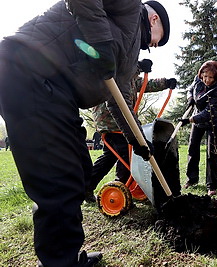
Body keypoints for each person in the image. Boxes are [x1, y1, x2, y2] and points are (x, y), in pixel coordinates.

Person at [0, 1, 170, 266]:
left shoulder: (128, 50)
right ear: (154, 20)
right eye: (159, 41)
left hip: (58, 93)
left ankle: (69, 256)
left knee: (79, 170)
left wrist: (139, 144)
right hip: (31, 70)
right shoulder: (130, 8)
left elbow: (120, 102)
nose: (154, 47)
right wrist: (100, 43)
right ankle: (61, 263)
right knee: (59, 180)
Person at [85, 59, 177, 202]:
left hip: (119, 122)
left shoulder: (131, 77)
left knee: (110, 156)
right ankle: (121, 189)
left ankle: (87, 187)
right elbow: (115, 75)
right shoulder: (120, 68)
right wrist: (138, 66)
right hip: (112, 120)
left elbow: (145, 84)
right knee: (127, 155)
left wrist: (166, 82)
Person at [179, 60, 217, 196]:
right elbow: (191, 89)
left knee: (212, 153)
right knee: (192, 148)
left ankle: (212, 185)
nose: (207, 80)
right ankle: (192, 179)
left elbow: (209, 112)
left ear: (216, 77)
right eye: (205, 76)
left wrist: (190, 120)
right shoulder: (198, 79)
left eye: (211, 77)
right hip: (197, 119)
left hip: (212, 121)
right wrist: (190, 99)